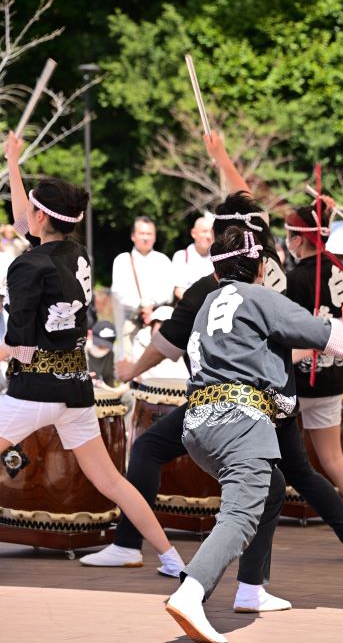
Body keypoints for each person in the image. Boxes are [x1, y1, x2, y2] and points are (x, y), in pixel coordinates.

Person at [80, 134, 343, 576]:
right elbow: (322, 333)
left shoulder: (211, 289)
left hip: (224, 405)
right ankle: (318, 552)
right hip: (278, 397)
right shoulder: (273, 266)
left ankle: (154, 557)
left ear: (218, 246)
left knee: (157, 452)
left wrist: (129, 370)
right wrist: (219, 157)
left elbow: (168, 344)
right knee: (288, 477)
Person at [165, 225, 343, 643]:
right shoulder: (260, 297)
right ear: (261, 268)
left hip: (198, 422)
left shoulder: (209, 301)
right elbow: (331, 337)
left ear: (217, 271)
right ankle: (191, 591)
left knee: (272, 489)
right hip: (240, 422)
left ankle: (251, 589)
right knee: (241, 513)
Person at [0, 131, 184, 578]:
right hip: (75, 390)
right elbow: (27, 221)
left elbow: (17, 344)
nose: (26, 215)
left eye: (32, 211)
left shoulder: (27, 265)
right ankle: (171, 557)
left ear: (43, 217)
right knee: (111, 481)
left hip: (32, 390)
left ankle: (161, 554)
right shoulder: (75, 255)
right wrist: (14, 162)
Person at [285, 199, 343, 545]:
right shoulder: (340, 269)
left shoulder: (295, 279)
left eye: (291, 235)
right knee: (334, 458)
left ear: (298, 239)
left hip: (298, 376)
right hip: (333, 369)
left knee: (279, 460)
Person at [111, 216, 174, 358]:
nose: (145, 238)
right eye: (142, 233)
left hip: (156, 323)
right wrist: (142, 307)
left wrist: (151, 306)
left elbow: (168, 291)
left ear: (155, 237)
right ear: (133, 236)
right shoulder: (122, 260)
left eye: (149, 234)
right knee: (128, 368)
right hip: (130, 322)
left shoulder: (163, 260)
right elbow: (119, 292)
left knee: (153, 372)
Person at [172, 216, 214, 300]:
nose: (209, 236)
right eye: (204, 231)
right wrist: (194, 304)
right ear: (193, 233)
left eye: (212, 232)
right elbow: (178, 289)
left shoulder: (218, 258)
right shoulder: (181, 256)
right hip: (189, 308)